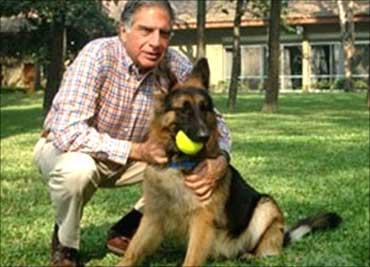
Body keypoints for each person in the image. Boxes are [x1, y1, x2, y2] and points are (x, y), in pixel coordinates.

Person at [33, 1, 231, 266]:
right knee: (77, 171)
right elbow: (68, 132)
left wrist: (221, 160)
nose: (156, 41)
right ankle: (65, 246)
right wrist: (137, 150)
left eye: (164, 33)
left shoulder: (173, 62)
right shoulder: (97, 55)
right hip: (71, 150)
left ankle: (128, 227)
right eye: (146, 30)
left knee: (196, 163)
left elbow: (215, 122)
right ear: (123, 31)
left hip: (137, 157)